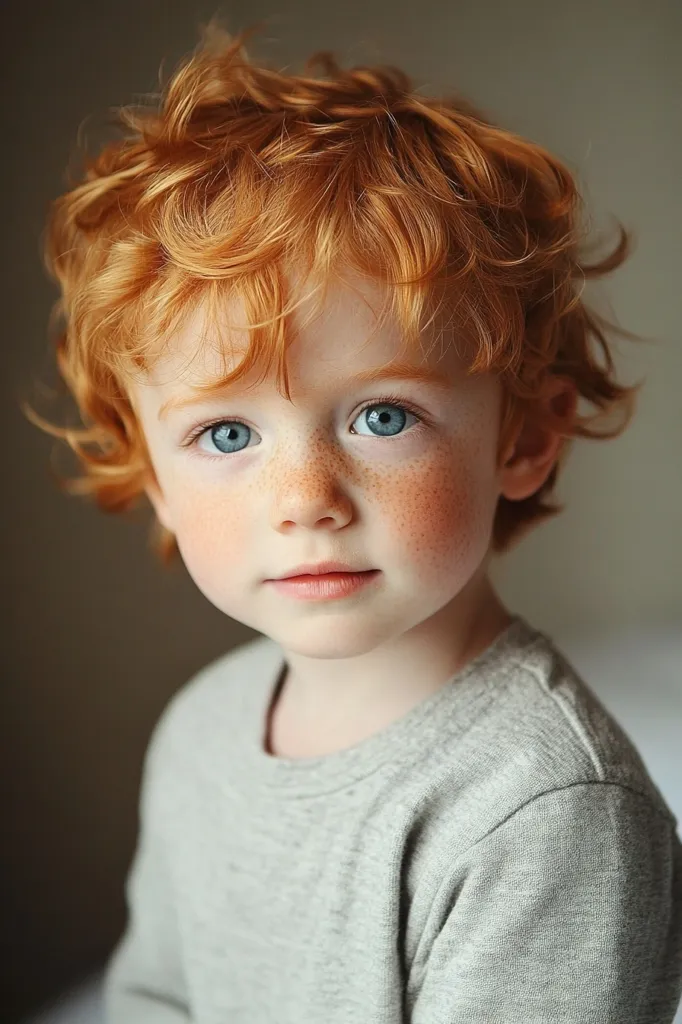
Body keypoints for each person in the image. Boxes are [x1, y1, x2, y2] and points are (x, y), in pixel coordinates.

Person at [23, 17, 682, 1023]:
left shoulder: (548, 812)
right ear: (152, 474)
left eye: (383, 416)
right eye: (227, 435)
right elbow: (154, 996)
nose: (305, 499)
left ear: (522, 439)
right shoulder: (200, 733)